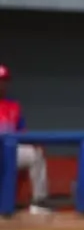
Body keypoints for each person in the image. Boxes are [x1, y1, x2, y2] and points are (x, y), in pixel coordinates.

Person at [0, 64, 52, 215]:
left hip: (10, 152)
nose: (1, 84)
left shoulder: (13, 105)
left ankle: (39, 202)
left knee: (35, 154)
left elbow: (22, 131)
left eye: (4, 80)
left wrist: (31, 142)